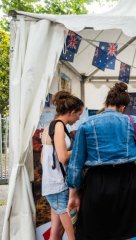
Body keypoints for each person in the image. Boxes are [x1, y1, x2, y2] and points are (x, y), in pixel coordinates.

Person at [66, 82, 136, 240]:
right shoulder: (134, 121)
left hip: (97, 183)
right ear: (123, 107)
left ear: (106, 104)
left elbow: (76, 163)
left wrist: (73, 193)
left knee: (97, 232)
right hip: (128, 181)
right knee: (123, 233)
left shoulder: (87, 124)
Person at [41, 91, 84, 240]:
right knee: (72, 235)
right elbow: (63, 157)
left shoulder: (51, 127)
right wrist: (80, 148)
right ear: (71, 112)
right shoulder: (58, 126)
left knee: (56, 232)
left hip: (52, 184)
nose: (78, 118)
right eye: (78, 114)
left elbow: (43, 159)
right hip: (58, 186)